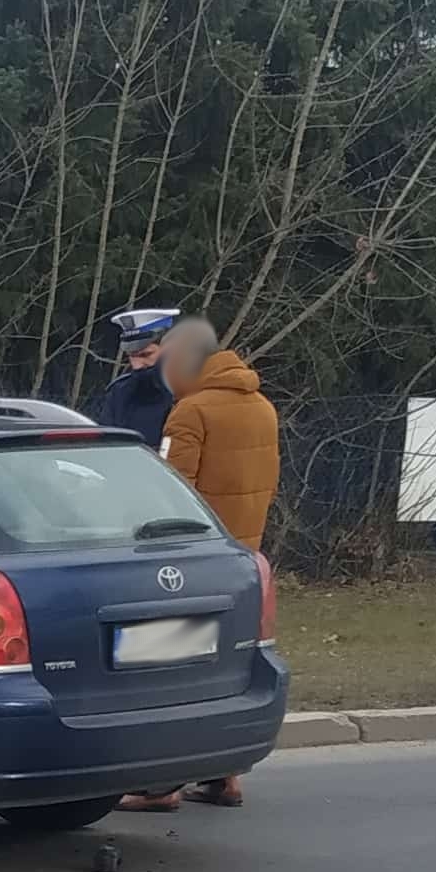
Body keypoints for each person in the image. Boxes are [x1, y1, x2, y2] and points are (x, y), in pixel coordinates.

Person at [141, 314, 281, 810]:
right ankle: (226, 776)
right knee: (226, 669)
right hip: (244, 558)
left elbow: (169, 493)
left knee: (170, 671)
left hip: (191, 562)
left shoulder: (190, 413)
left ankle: (161, 786)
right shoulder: (262, 407)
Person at [91, 307, 178, 442]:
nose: (136, 365)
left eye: (146, 355)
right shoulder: (119, 393)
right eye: (132, 356)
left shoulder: (190, 393)